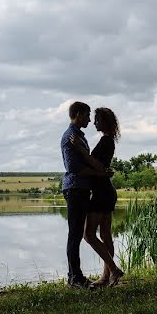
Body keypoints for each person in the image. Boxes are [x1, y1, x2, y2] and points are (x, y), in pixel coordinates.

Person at [70, 107, 124, 287]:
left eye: (97, 119)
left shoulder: (107, 141)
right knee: (106, 234)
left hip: (102, 193)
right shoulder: (107, 140)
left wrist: (79, 149)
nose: (94, 123)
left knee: (88, 234)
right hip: (106, 191)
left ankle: (114, 270)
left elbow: (97, 165)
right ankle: (106, 277)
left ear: (105, 121)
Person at [60, 101, 112, 288]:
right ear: (78, 114)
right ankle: (75, 278)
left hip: (82, 190)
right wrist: (101, 173)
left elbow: (88, 162)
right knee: (75, 234)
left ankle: (78, 276)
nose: (90, 120)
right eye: (88, 115)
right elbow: (74, 168)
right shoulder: (70, 137)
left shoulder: (79, 136)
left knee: (80, 234)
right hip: (75, 189)